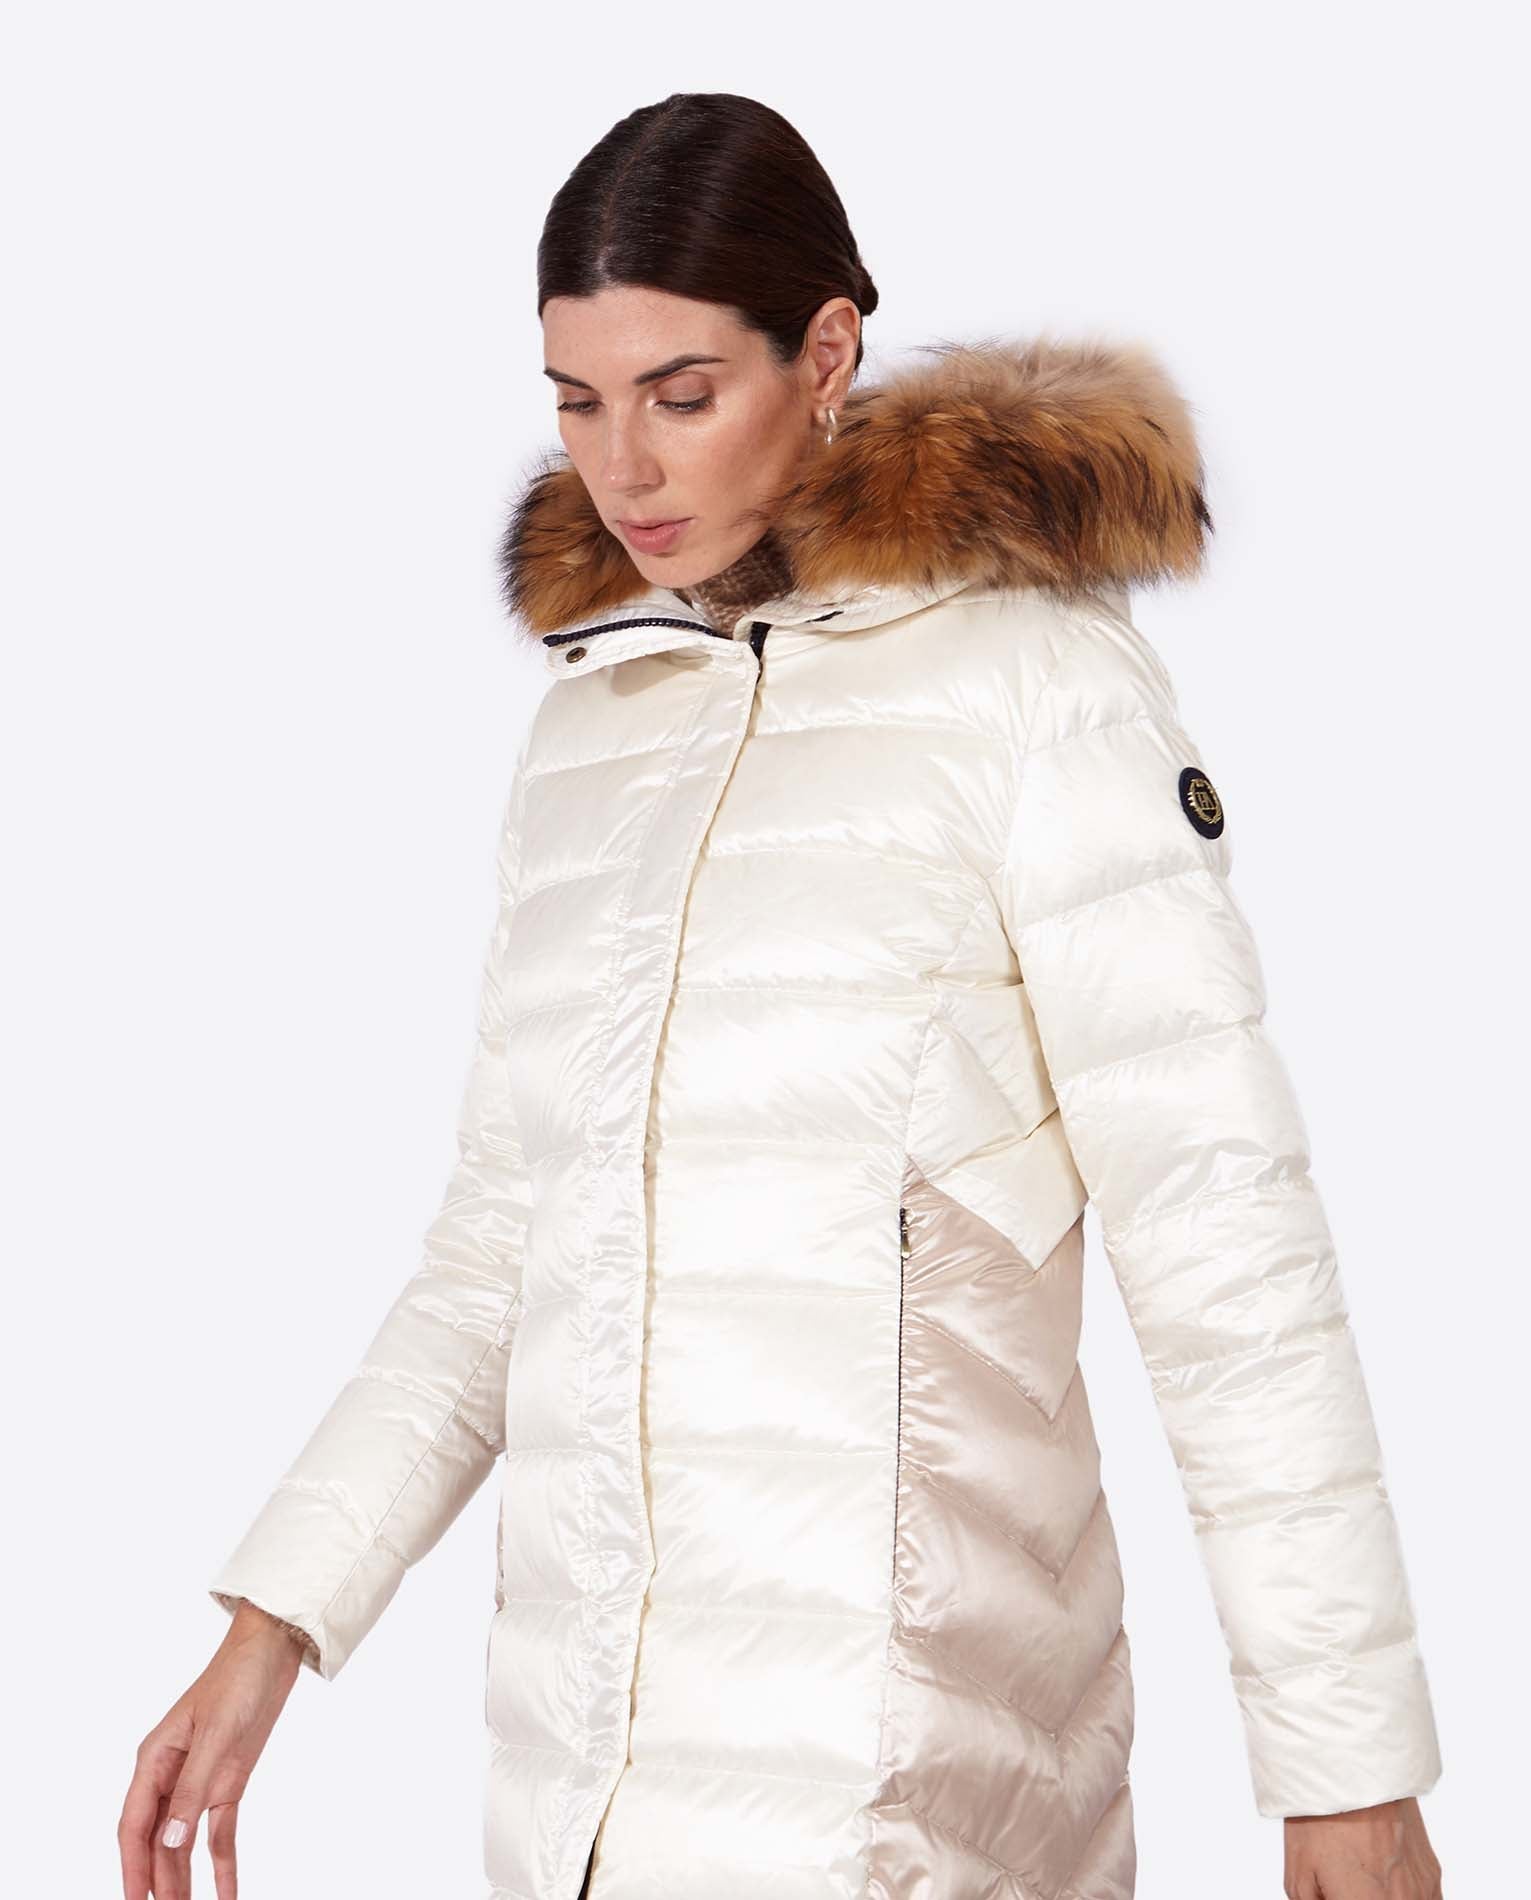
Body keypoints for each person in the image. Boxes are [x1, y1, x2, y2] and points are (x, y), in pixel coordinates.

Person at [120, 91, 1447, 1900]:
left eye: (682, 393)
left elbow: (1224, 1243)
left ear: (826, 353)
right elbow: (502, 1249)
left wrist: (1347, 1766)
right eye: (577, 402)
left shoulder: (1033, 686)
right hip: (579, 1804)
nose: (625, 468)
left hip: (906, 1795)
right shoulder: (596, 729)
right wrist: (272, 1623)